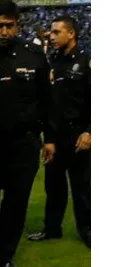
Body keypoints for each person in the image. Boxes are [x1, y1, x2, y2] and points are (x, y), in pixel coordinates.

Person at [0, 0, 57, 267]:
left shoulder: (33, 54)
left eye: (9, 26)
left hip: (23, 144)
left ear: (17, 25)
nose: (4, 31)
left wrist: (50, 138)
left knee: (16, 203)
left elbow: (47, 99)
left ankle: (3, 256)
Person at [28, 15, 91, 248]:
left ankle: (88, 230)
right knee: (53, 187)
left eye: (56, 32)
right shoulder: (51, 60)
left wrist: (90, 132)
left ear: (71, 33)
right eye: (51, 33)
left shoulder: (87, 61)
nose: (51, 37)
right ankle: (52, 228)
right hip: (55, 137)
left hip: (79, 136)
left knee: (82, 188)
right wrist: (48, 138)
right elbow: (48, 103)